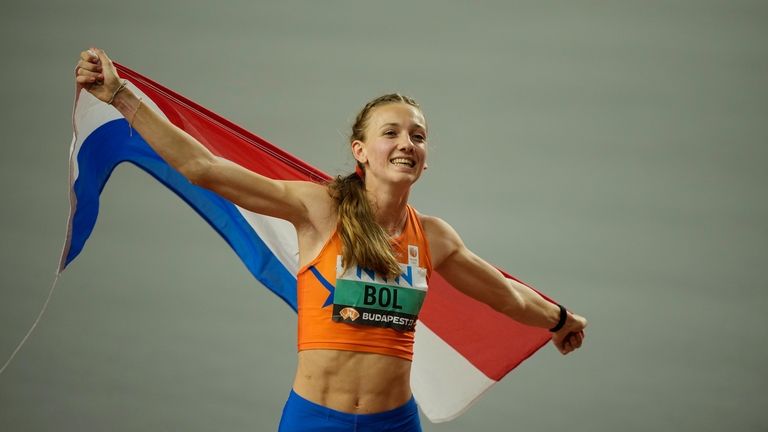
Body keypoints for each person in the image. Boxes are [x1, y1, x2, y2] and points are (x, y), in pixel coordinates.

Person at [75, 47, 588, 432]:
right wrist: (120, 96)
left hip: (395, 423)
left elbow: (506, 295)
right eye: (391, 133)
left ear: (427, 157)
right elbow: (202, 167)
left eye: (418, 135)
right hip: (315, 421)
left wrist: (560, 319)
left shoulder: (433, 237)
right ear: (360, 151)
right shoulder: (318, 209)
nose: (407, 143)